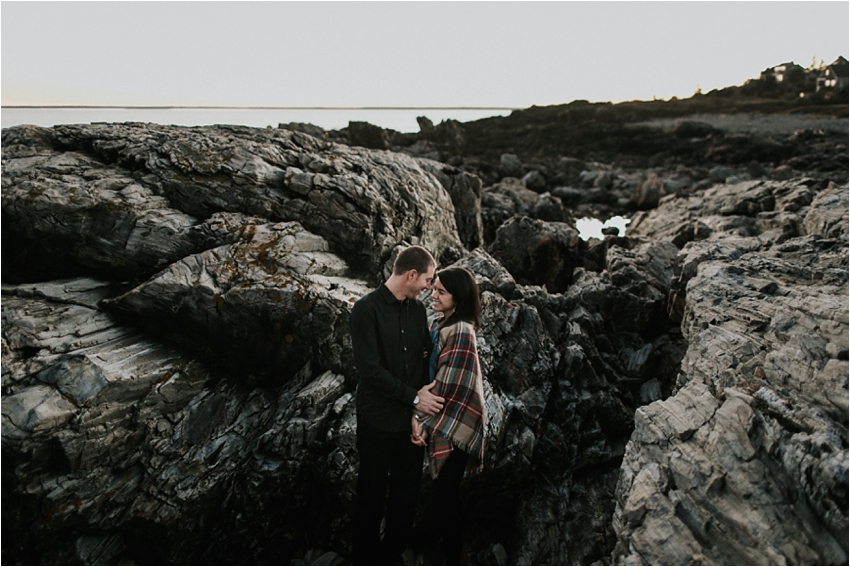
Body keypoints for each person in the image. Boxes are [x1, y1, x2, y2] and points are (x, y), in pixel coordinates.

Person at [349, 245, 446, 566]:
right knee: (370, 494)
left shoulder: (417, 311)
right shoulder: (365, 310)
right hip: (376, 419)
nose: (429, 288)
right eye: (428, 280)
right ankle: (364, 558)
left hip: (409, 423)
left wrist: (417, 415)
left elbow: (422, 360)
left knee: (406, 495)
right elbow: (370, 371)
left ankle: (391, 556)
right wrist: (416, 398)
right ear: (412, 274)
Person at [410, 267, 486, 565]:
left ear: (458, 298)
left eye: (441, 291)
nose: (434, 294)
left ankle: (420, 541)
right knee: (449, 496)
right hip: (443, 414)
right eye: (434, 288)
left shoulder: (462, 330)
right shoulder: (437, 324)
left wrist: (420, 419)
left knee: (443, 494)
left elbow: (452, 383)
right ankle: (455, 555)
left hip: (460, 421)